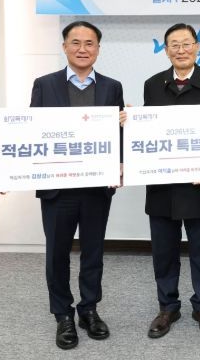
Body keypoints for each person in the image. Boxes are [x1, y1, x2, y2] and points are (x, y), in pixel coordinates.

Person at [31, 21, 124, 349]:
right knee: (57, 253)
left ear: (98, 48)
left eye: (89, 43)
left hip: (97, 187)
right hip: (57, 188)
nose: (82, 49)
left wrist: (121, 161)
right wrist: (7, 171)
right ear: (64, 47)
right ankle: (63, 315)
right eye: (75, 42)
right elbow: (30, 132)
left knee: (93, 251)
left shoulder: (112, 87)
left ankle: (89, 309)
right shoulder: (45, 85)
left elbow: (118, 134)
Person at [141, 23, 200, 339]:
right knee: (163, 251)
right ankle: (167, 307)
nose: (181, 50)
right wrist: (131, 124)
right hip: (162, 187)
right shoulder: (152, 85)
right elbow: (148, 133)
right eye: (174, 45)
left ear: (197, 47)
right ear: (166, 50)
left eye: (187, 43)